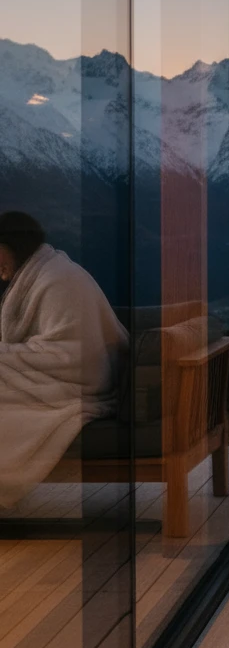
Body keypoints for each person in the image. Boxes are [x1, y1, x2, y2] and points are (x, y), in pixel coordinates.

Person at [0, 212, 129, 508]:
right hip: (56, 378)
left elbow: (70, 358)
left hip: (81, 385)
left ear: (13, 246)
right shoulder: (44, 273)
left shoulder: (58, 280)